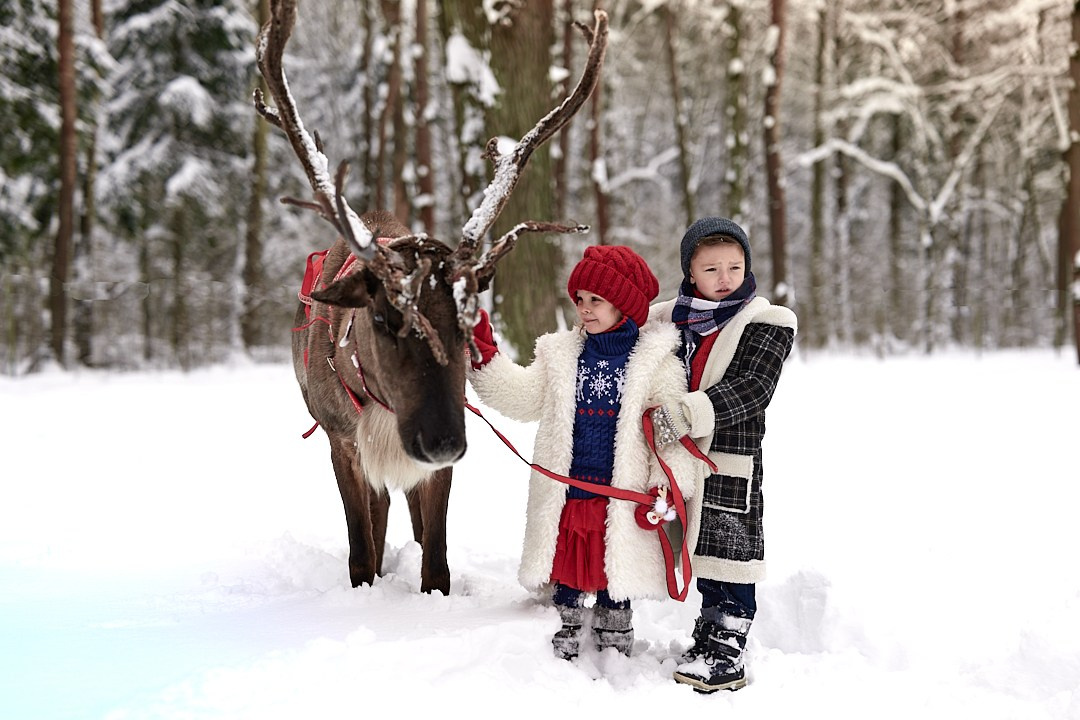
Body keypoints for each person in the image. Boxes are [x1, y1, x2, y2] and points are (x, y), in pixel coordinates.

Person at [468, 245, 702, 660]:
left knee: (616, 571)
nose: (585, 309)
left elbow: (671, 436)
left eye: (597, 300)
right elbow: (522, 396)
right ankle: (565, 631)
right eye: (579, 300)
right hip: (571, 490)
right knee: (572, 566)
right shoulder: (561, 355)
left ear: (624, 307)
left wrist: (666, 485)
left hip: (623, 494)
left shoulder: (656, 364)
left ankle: (615, 639)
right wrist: (484, 355)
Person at [648, 217, 797, 692]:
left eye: (734, 267)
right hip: (682, 461)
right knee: (697, 550)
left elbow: (753, 389)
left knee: (730, 552)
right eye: (711, 269)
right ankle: (709, 629)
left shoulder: (766, 322)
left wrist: (686, 415)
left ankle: (729, 644)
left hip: (730, 458)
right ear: (690, 272)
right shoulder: (670, 319)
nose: (725, 278)